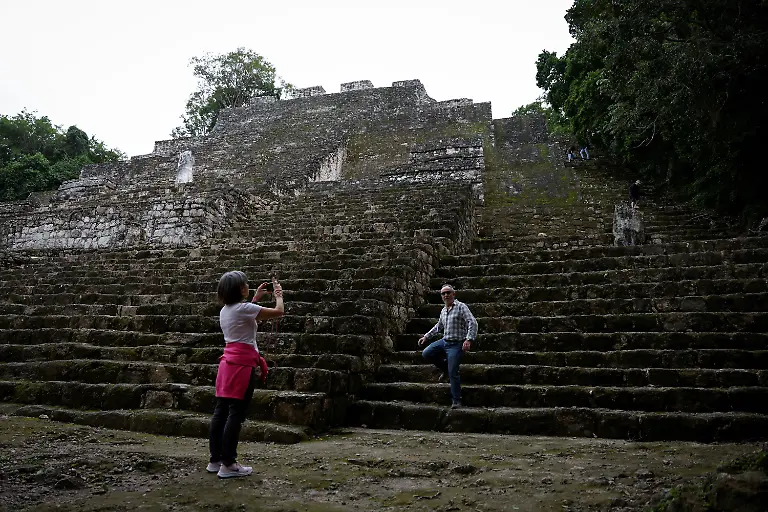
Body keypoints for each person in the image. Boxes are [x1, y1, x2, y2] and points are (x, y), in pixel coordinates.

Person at [207, 272, 284, 479]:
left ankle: (215, 460)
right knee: (236, 414)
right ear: (241, 289)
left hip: (228, 364)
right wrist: (279, 295)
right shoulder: (244, 310)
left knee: (221, 411)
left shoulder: (225, 310)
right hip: (242, 365)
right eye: (246, 285)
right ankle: (229, 464)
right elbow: (278, 312)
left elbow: (243, 315)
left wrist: (256, 298)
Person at [418, 284, 478, 409]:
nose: (446, 295)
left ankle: (457, 399)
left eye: (448, 292)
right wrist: (426, 337)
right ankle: (446, 368)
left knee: (453, 373)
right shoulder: (443, 310)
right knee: (427, 353)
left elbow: (472, 322)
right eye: (443, 293)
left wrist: (469, 339)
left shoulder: (461, 307)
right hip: (444, 341)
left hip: (457, 344)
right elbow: (438, 327)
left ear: (453, 294)